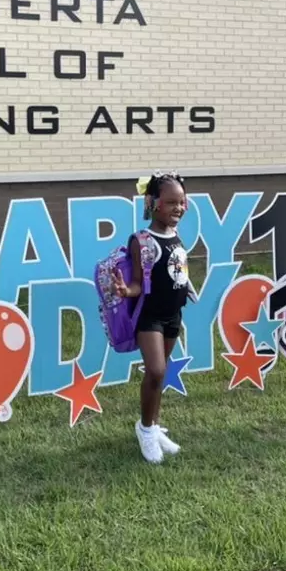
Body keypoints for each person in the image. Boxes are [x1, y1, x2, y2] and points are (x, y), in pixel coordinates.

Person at [112, 172, 196, 464]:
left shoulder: (175, 235)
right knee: (157, 371)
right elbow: (138, 282)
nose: (179, 208)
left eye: (182, 202)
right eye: (171, 202)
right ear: (154, 203)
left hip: (174, 315)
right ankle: (145, 430)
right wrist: (126, 290)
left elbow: (177, 271)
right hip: (151, 318)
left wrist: (187, 287)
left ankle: (153, 424)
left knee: (159, 374)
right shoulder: (142, 240)